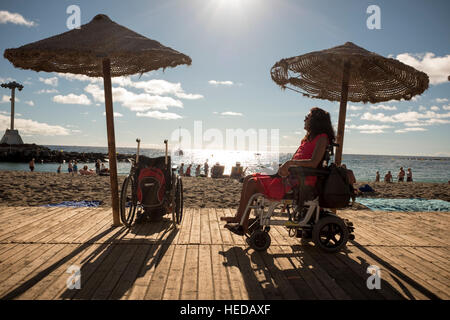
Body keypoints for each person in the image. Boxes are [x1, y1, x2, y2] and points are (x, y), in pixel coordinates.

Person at [221, 107, 333, 235]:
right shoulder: (308, 139)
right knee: (248, 178)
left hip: (302, 181)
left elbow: (313, 163)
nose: (305, 119)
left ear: (315, 121)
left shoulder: (322, 138)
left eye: (307, 117)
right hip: (293, 177)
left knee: (252, 183)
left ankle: (243, 223)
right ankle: (239, 218)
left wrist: (290, 163)